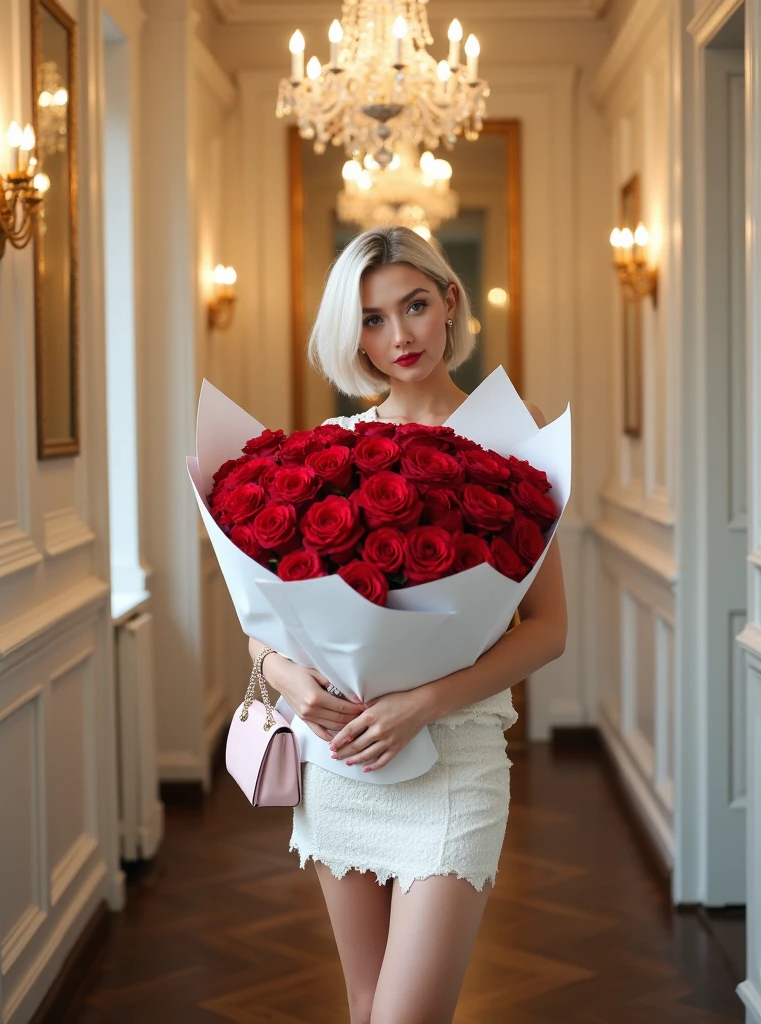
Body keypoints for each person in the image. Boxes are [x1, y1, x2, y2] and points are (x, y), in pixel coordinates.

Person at [247, 225, 567, 1024]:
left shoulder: (509, 434)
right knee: (363, 1005)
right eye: (372, 318)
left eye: (414, 305)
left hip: (455, 756)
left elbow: (550, 627)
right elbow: (266, 627)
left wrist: (423, 703)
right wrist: (290, 682)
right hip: (339, 755)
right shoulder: (329, 452)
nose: (399, 336)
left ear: (450, 302)